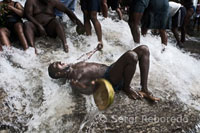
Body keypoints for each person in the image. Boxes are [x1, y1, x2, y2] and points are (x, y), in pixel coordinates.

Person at [48, 45, 160, 101]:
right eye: (57, 64)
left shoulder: (72, 65)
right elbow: (87, 90)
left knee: (144, 49)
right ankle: (126, 87)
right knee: (131, 56)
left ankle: (144, 88)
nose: (60, 61)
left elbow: (85, 57)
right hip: (110, 79)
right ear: (58, 74)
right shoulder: (73, 80)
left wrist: (95, 49)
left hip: (112, 69)